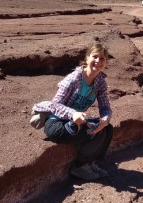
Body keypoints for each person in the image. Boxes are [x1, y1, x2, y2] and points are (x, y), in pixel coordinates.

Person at [33, 42, 113, 180]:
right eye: (95, 56)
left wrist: (105, 119)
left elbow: (105, 106)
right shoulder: (73, 79)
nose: (98, 61)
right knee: (96, 133)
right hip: (56, 124)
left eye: (102, 58)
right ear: (87, 58)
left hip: (75, 122)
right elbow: (54, 105)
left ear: (106, 62)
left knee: (107, 128)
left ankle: (90, 162)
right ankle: (79, 167)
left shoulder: (100, 82)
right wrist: (72, 114)